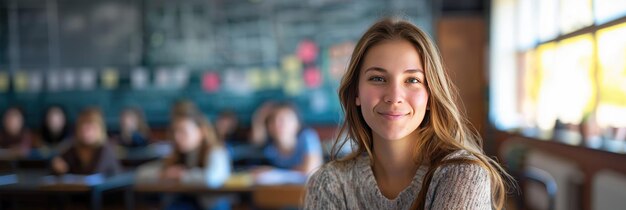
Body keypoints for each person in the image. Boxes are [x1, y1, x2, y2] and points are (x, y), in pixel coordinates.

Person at [304, 18, 512, 210]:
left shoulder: (463, 174)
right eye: (377, 78)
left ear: (430, 95)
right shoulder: (328, 183)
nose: (394, 97)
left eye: (412, 80)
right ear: (356, 92)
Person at [136, 110, 231, 209]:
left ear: (201, 131)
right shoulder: (176, 154)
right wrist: (163, 174)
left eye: (183, 131)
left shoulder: (216, 152)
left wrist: (182, 175)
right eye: (175, 131)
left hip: (211, 205)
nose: (177, 137)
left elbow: (212, 179)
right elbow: (140, 175)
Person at [51, 108, 121, 177]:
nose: (86, 132)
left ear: (99, 129)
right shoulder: (72, 149)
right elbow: (56, 168)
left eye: (90, 128)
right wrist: (57, 168)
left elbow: (95, 175)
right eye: (82, 127)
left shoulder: (106, 150)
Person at [260, 103, 323, 175]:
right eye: (273, 120)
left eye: (283, 120)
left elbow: (310, 170)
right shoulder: (269, 149)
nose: (278, 125)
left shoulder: (307, 137)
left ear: (297, 124)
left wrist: (274, 171)